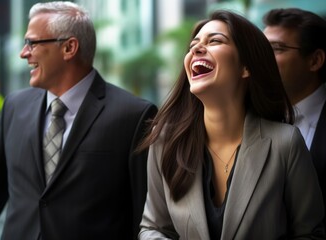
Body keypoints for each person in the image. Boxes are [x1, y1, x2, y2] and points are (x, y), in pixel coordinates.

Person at [0, 1, 157, 240]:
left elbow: (146, 215)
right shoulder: (14, 107)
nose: (24, 53)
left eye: (32, 43)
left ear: (69, 48)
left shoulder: (134, 116)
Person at [138, 10, 325, 239]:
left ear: (246, 67)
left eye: (215, 40)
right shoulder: (165, 141)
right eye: (193, 44)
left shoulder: (285, 144)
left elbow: (311, 234)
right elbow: (153, 228)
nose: (196, 49)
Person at [263, 8, 326, 226]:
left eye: (276, 48)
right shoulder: (253, 118)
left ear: (315, 60)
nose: (262, 58)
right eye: (261, 48)